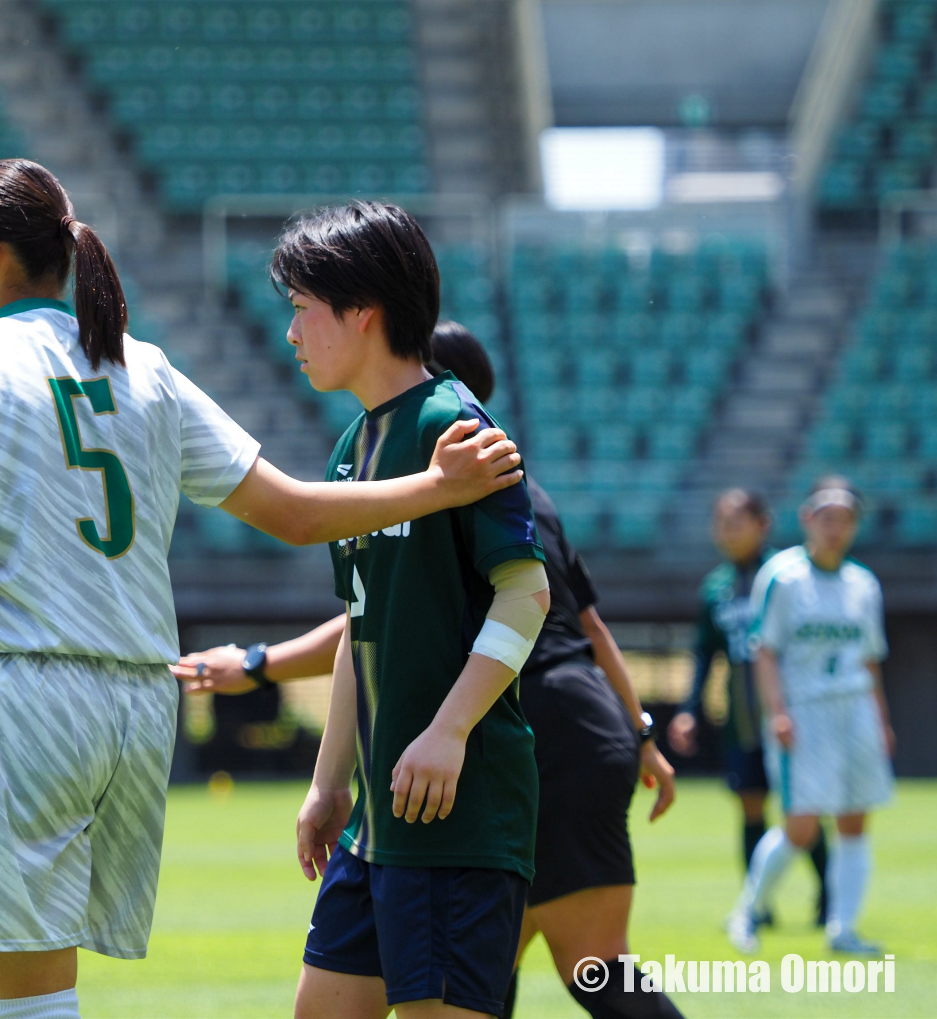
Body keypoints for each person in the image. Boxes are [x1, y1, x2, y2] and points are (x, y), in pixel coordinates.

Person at [0, 161, 528, 1019]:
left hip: (25, 691)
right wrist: (432, 489)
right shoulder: (146, 367)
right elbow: (292, 511)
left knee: (24, 1000)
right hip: (135, 708)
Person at [177, 320, 684, 1019]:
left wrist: (262, 664)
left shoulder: (480, 477)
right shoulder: (385, 462)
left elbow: (528, 608)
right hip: (536, 737)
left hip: (532, 734)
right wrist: (642, 732)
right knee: (487, 970)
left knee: (589, 963)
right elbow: (371, 621)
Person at [726, 477, 895, 956]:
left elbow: (869, 658)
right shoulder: (783, 576)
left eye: (845, 520)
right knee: (801, 826)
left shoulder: (864, 583)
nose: (836, 529)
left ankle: (843, 930)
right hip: (805, 711)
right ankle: (749, 909)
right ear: (808, 519)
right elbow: (765, 652)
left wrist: (881, 720)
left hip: (855, 708)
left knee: (855, 821)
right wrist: (776, 711)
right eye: (828, 518)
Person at [668, 490, 829, 928]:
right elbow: (706, 653)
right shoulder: (716, 588)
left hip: (790, 713)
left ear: (763, 524)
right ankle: (759, 906)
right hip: (742, 717)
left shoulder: (788, 578)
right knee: (751, 806)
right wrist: (689, 709)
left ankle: (830, 900)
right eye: (721, 523)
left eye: (735, 523)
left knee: (804, 807)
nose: (727, 533)